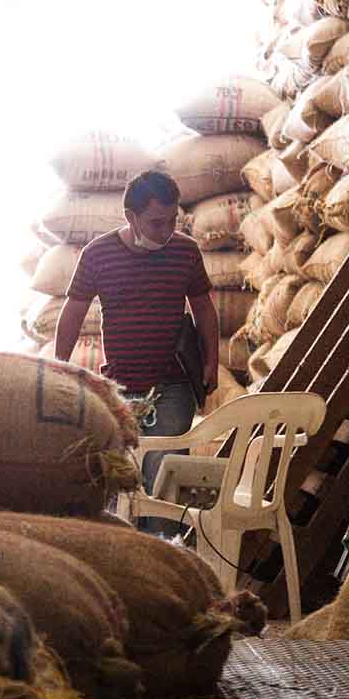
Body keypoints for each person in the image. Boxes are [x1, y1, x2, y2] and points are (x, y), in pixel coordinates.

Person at [52, 170, 219, 501]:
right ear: (131, 217)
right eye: (157, 222)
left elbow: (203, 309)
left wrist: (212, 361)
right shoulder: (97, 255)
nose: (167, 230)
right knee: (122, 482)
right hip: (120, 388)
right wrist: (60, 366)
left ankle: (162, 546)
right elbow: (73, 312)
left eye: (173, 220)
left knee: (163, 476)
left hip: (175, 385)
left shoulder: (186, 252)